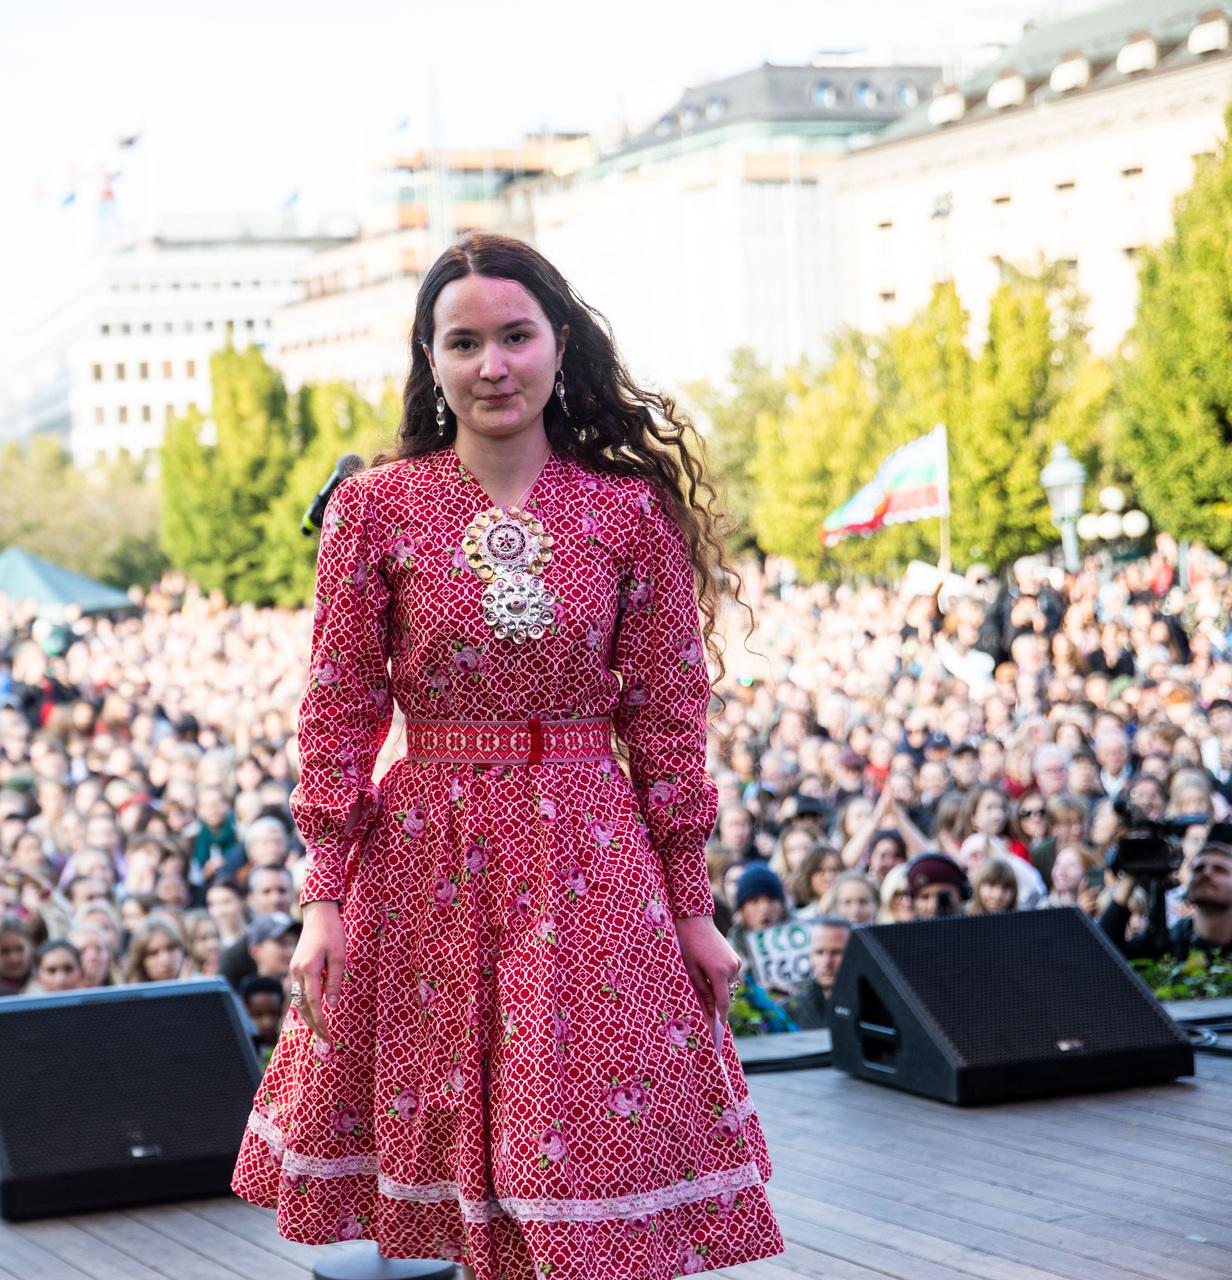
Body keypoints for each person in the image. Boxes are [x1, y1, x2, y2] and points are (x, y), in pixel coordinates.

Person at [234, 233, 783, 1280]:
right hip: (424, 860)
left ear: (560, 344)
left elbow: (670, 721)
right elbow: (339, 710)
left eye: (517, 335)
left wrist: (694, 908)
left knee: (578, 1154)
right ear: (431, 361)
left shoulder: (627, 512)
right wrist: (323, 897)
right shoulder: (374, 508)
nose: (494, 364)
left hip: (589, 858)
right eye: (465, 341)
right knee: (457, 1178)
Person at [1099, 833, 1232, 962]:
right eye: (1198, 869)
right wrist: (1130, 879)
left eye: (1220, 870)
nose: (1206, 873)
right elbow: (1104, 951)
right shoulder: (1171, 943)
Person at [781, 919, 851, 1031]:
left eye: (836, 952)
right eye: (819, 952)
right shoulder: (789, 1011)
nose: (826, 962)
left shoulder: (879, 1007)